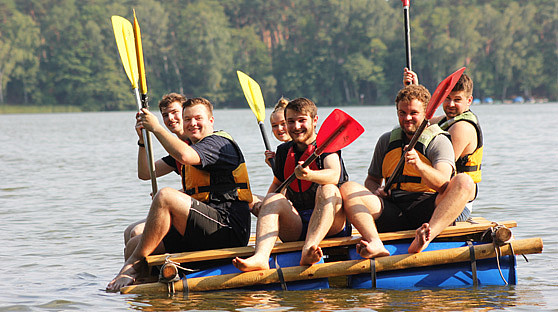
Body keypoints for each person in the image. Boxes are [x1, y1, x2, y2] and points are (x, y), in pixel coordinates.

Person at [107, 97, 253, 291]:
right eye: (188, 120)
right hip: (204, 228)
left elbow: (185, 156)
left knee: (165, 195)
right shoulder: (191, 146)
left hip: (227, 229)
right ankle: (145, 287)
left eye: (198, 118)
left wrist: (157, 129)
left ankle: (131, 267)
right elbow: (145, 173)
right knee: (134, 243)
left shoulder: (217, 143)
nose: (192, 124)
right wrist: (143, 141)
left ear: (211, 120)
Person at [340, 84, 475, 256]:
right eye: (402, 113)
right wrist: (376, 191)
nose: (407, 118)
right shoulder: (386, 141)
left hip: (428, 208)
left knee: (464, 182)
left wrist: (419, 165)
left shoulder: (439, 141)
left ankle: (427, 236)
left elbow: (442, 184)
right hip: (394, 208)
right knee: (347, 188)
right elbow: (372, 179)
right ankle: (375, 242)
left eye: (414, 113)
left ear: (427, 114)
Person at [232, 98, 352, 271]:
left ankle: (309, 248)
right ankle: (260, 257)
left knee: (328, 189)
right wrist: (265, 206)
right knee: (273, 198)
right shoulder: (283, 152)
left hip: (331, 225)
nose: (296, 127)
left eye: (302, 120)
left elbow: (334, 175)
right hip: (297, 225)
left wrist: (310, 175)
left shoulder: (327, 146)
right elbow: (277, 186)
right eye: (291, 122)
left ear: (315, 120)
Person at [404, 69, 482, 220]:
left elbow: (442, 171)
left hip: (456, 205)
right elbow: (418, 120)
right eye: (447, 98)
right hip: (436, 196)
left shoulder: (462, 128)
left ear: (469, 100)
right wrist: (414, 89)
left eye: (457, 100)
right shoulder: (445, 120)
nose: (451, 104)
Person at [123, 93, 189, 251]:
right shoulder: (176, 154)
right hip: (186, 208)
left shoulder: (195, 145)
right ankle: (153, 271)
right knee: (129, 231)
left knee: (137, 232)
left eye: (174, 112)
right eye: (165, 115)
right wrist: (142, 141)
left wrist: (171, 197)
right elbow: (145, 173)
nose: (170, 118)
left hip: (200, 212)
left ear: (186, 113)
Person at [264, 97, 292, 167]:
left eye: (283, 124)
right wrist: (274, 164)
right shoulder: (282, 150)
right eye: (274, 125)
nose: (279, 129)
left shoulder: (301, 147)